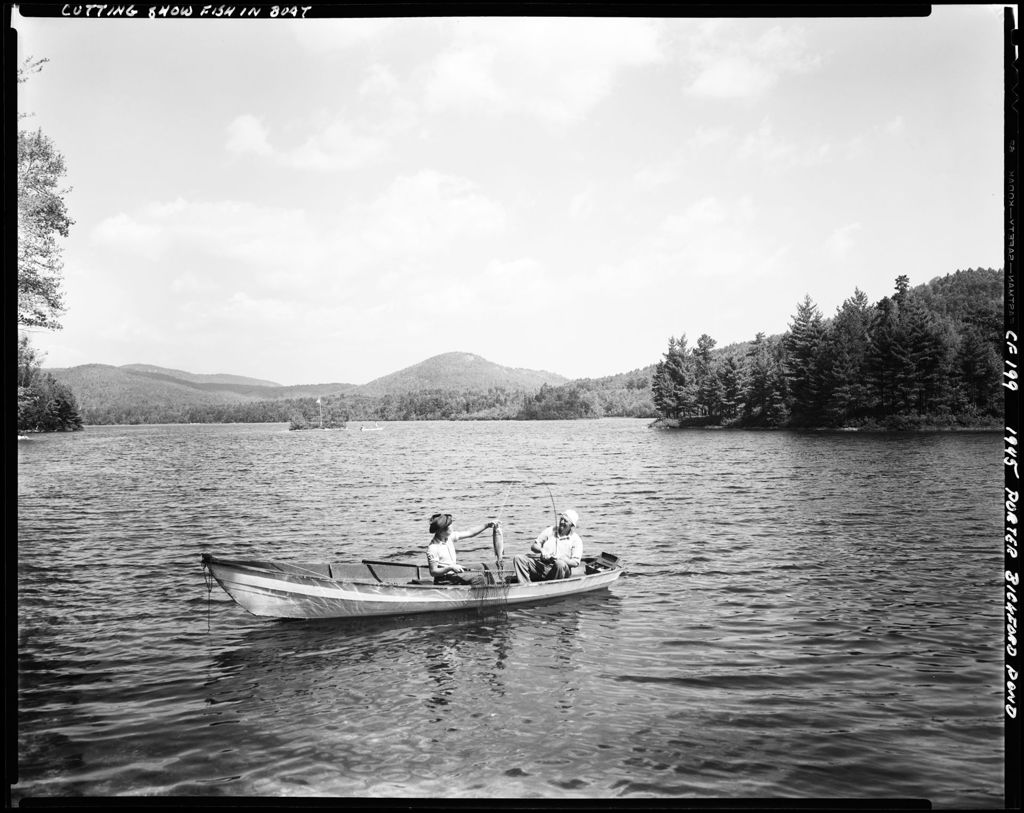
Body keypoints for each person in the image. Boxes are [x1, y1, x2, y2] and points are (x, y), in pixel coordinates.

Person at [512, 509, 583, 585]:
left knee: (560, 563)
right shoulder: (550, 530)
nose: (562, 522)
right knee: (518, 558)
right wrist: (542, 550)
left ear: (572, 525)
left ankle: (555, 587)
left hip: (560, 570)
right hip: (543, 566)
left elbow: (575, 563)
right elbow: (534, 546)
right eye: (561, 519)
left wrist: (560, 558)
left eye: (565, 521)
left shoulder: (576, 540)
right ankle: (526, 586)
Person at [426, 512, 494, 586]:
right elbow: (433, 572)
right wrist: (450, 568)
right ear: (441, 530)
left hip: (453, 573)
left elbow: (470, 532)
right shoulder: (433, 548)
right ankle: (480, 592)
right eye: (449, 525)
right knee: (478, 578)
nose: (452, 526)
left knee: (481, 567)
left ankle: (491, 588)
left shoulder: (449, 537)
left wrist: (487, 525)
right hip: (444, 580)